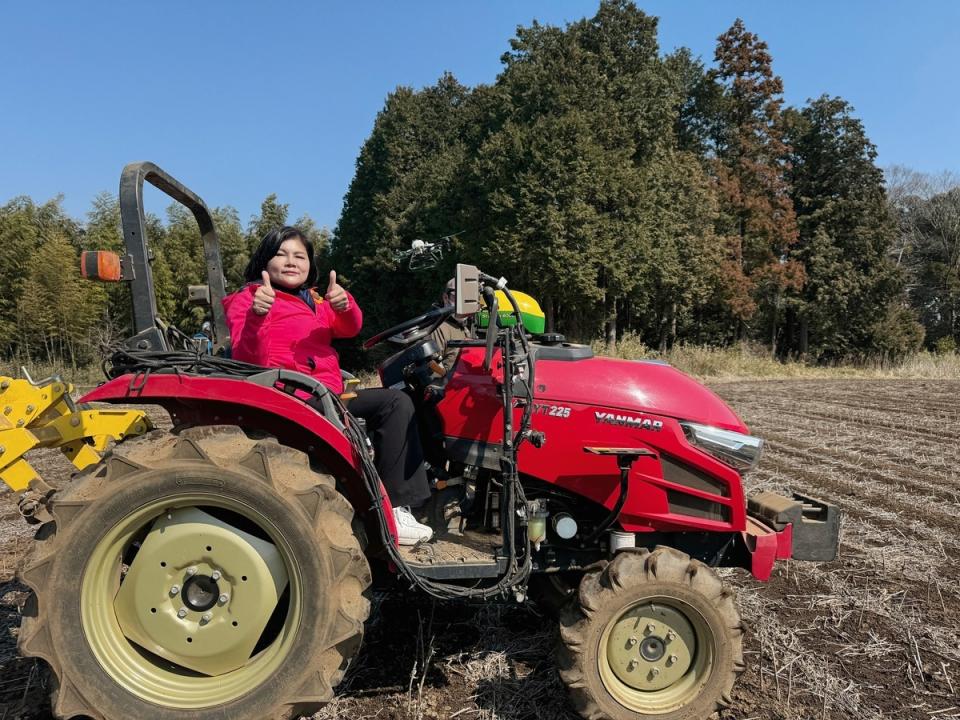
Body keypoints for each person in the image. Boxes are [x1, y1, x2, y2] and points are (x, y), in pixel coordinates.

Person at [223, 226, 433, 545]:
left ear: (310, 264)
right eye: (281, 254)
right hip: (289, 396)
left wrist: (345, 305)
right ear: (265, 261)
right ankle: (376, 506)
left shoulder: (313, 300)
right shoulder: (250, 298)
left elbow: (350, 329)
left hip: (326, 395)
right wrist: (257, 315)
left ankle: (398, 505)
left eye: (300, 256)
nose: (291, 262)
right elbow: (247, 355)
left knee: (396, 402)